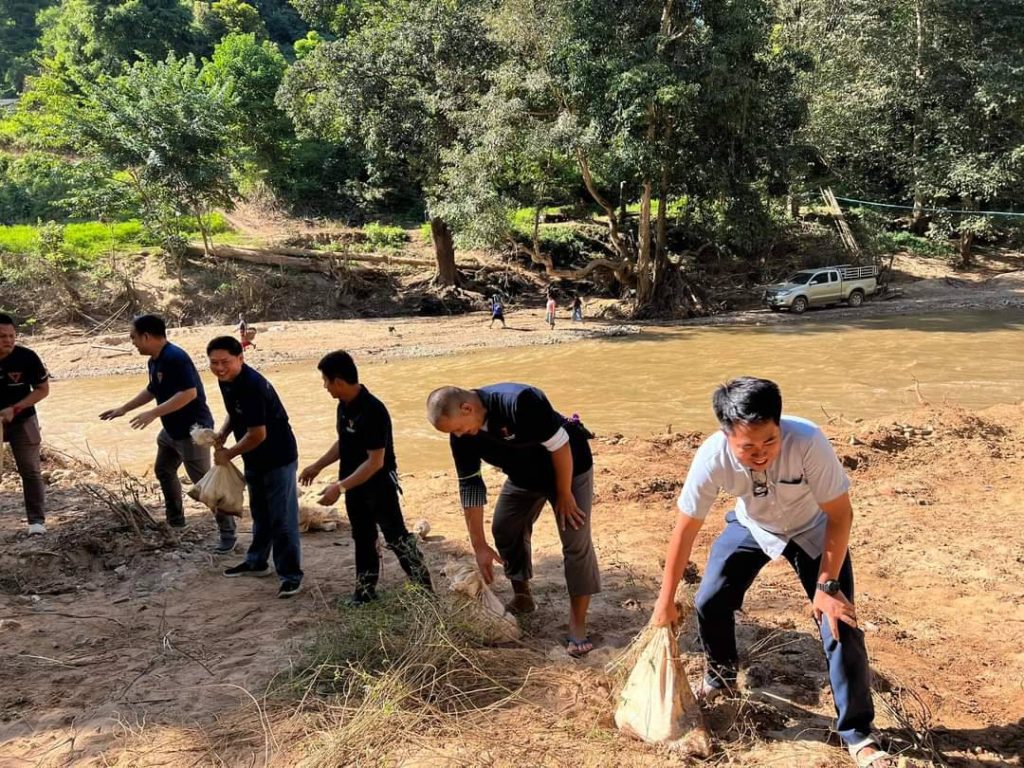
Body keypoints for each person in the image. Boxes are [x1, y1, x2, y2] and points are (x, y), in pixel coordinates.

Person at [650, 377, 892, 768]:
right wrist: (664, 602)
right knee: (710, 599)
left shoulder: (808, 440)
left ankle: (859, 734)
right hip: (754, 526)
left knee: (838, 621)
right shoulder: (711, 458)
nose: (760, 453)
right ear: (727, 435)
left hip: (815, 529)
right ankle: (722, 675)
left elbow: (840, 514)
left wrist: (827, 584)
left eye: (769, 442)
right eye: (747, 446)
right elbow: (685, 530)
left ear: (780, 426)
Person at [426, 383, 599, 657]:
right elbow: (471, 486)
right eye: (453, 433)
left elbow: (560, 445)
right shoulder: (461, 436)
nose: (458, 435)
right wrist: (479, 545)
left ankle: (577, 623)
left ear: (467, 408)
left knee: (574, 537)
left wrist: (564, 495)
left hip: (569, 467)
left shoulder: (520, 402)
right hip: (524, 475)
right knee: (505, 528)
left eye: (458, 428)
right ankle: (523, 595)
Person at [300, 351, 432, 604]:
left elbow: (375, 462)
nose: (324, 386)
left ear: (338, 381)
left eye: (325, 381)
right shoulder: (344, 405)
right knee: (363, 538)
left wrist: (339, 487)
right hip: (354, 485)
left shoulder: (373, 410)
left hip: (378, 486)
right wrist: (316, 466)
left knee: (397, 539)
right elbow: (345, 441)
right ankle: (365, 593)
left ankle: (426, 593)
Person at [100, 315, 237, 551]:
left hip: (193, 431)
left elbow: (189, 394)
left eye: (133, 337)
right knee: (163, 469)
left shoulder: (175, 358)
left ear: (147, 336)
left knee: (205, 484)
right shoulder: (155, 360)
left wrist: (152, 414)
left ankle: (228, 533)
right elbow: (153, 389)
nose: (132, 343)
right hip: (172, 430)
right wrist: (124, 408)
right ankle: (176, 520)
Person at [207, 336, 302, 599]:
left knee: (282, 519)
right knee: (260, 513)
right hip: (254, 458)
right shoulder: (227, 381)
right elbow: (235, 412)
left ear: (241, 358)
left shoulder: (251, 385)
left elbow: (258, 434)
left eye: (225, 362)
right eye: (214, 363)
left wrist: (228, 454)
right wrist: (224, 432)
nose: (219, 368)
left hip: (277, 457)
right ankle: (256, 561)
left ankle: (291, 575)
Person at [0, 313, 50, 535]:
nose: (8, 340)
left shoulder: (27, 357)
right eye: (2, 337)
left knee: (30, 471)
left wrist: (15, 408)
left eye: (11, 335)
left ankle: (36, 522)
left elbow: (42, 390)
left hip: (23, 418)